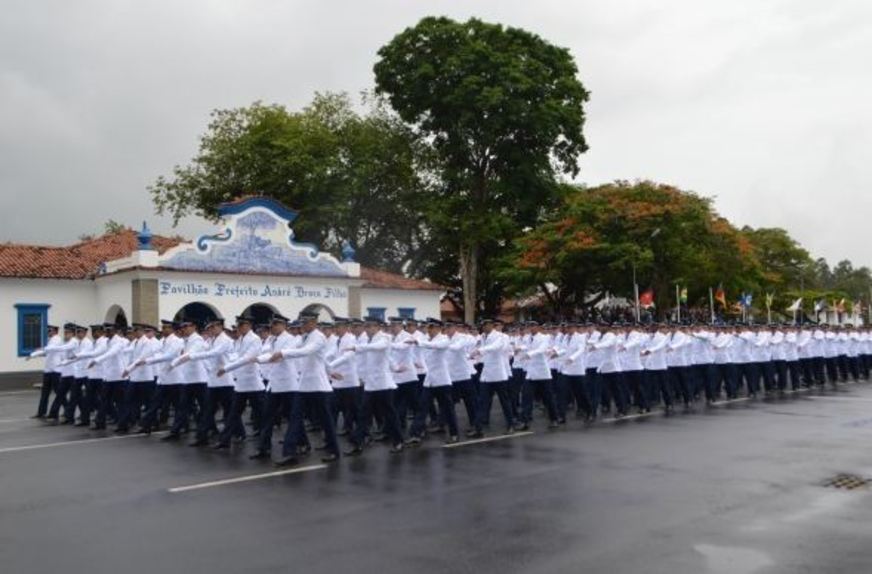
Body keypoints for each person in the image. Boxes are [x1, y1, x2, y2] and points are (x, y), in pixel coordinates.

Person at [270, 312, 340, 466]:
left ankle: (334, 450)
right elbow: (318, 359)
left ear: (313, 322)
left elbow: (307, 352)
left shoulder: (318, 337)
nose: (302, 326)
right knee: (295, 418)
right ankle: (289, 453)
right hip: (304, 386)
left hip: (318, 386)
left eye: (305, 323)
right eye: (301, 323)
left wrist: (283, 352)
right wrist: (262, 359)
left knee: (326, 421)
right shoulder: (304, 337)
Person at [345, 316, 405, 456]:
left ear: (378, 326)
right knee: (363, 415)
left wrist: (358, 347)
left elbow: (380, 349)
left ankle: (398, 441)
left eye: (370, 326)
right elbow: (374, 359)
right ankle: (357, 444)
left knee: (390, 415)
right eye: (366, 326)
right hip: (371, 385)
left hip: (383, 384)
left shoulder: (385, 338)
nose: (367, 329)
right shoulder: (367, 339)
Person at [172, 319, 235, 446]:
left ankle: (234, 435)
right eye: (209, 328)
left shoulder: (226, 340)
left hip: (225, 381)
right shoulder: (210, 340)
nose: (210, 330)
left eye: (213, 327)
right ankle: (202, 437)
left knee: (230, 412)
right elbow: (207, 357)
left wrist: (192, 356)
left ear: (220, 327)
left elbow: (213, 353)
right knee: (207, 410)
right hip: (212, 381)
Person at [250, 315, 301, 460]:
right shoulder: (272, 339)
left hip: (288, 384)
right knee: (267, 417)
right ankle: (263, 448)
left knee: (292, 417)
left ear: (284, 325)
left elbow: (279, 356)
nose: (273, 327)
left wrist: (260, 359)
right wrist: (258, 358)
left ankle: (297, 447)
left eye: (276, 324)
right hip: (274, 384)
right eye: (272, 324)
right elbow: (267, 354)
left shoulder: (290, 339)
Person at [214, 316, 265, 449]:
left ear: (248, 325)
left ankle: (264, 442)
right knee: (233, 413)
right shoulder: (240, 339)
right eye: (238, 325)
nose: (239, 328)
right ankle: (224, 440)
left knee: (261, 415)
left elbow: (247, 358)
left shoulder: (255, 339)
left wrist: (226, 368)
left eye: (241, 325)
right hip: (241, 383)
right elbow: (235, 356)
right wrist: (227, 363)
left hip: (253, 384)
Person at [407, 318, 459, 444]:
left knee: (448, 409)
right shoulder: (427, 340)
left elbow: (435, 346)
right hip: (429, 380)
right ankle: (416, 434)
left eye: (431, 328)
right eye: (428, 328)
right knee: (422, 408)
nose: (428, 330)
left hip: (442, 380)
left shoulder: (444, 339)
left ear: (438, 328)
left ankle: (454, 433)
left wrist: (418, 342)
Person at [161, 320, 208, 441]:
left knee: (205, 408)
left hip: (199, 379)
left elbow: (190, 354)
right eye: (183, 327)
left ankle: (205, 431)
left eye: (186, 326)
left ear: (194, 327)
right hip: (187, 380)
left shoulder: (197, 340)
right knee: (183, 407)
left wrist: (173, 364)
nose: (184, 329)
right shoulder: (185, 340)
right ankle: (175, 432)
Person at [468, 318, 515, 438]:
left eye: (486, 325)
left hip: (499, 374)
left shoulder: (501, 336)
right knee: (482, 402)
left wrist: (480, 350)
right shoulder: (482, 337)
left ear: (491, 325)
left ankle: (510, 425)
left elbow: (496, 347)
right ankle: (478, 428)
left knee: (505, 402)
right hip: (487, 374)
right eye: (482, 325)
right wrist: (473, 357)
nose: (484, 327)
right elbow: (479, 352)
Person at [137, 320, 185, 434]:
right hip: (163, 378)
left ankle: (179, 428)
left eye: (166, 328)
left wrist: (148, 360)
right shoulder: (162, 341)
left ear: (172, 329)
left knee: (178, 406)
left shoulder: (178, 341)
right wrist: (142, 358)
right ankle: (147, 425)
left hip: (175, 379)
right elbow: (154, 351)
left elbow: (169, 356)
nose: (163, 330)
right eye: (163, 327)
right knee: (155, 403)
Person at [27, 324, 63, 419]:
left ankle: (67, 410)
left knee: (59, 392)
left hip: (55, 370)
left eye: (50, 331)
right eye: (48, 331)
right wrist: (34, 354)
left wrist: (37, 352)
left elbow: (49, 349)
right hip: (48, 370)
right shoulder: (51, 340)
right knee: (45, 392)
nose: (48, 332)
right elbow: (46, 351)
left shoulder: (57, 339)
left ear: (55, 331)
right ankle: (41, 412)